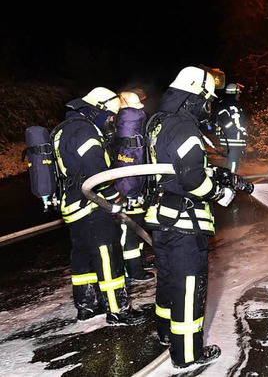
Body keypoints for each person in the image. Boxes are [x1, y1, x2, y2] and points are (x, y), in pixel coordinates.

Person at [144, 66, 248, 369]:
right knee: (189, 286)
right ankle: (187, 354)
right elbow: (193, 179)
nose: (208, 106)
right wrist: (219, 193)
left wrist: (225, 177)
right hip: (185, 224)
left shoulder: (159, 123)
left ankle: (165, 333)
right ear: (194, 97)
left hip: (162, 220)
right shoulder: (184, 127)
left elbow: (175, 167)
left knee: (169, 281)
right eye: (206, 100)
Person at [52, 87, 145, 325]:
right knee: (107, 254)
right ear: (98, 109)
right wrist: (114, 197)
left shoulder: (64, 128)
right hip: (91, 203)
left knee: (82, 255)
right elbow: (96, 171)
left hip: (71, 204)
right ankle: (118, 310)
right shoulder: (85, 132)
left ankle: (86, 306)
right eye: (111, 115)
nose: (112, 120)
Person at [112, 90, 154, 283]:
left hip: (128, 187)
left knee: (134, 228)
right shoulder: (129, 126)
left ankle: (136, 264)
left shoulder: (120, 126)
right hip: (131, 188)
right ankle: (132, 270)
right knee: (128, 232)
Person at [215, 82, 248, 173]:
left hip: (236, 140)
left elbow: (240, 122)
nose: (239, 95)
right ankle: (230, 180)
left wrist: (242, 134)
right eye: (238, 93)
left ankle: (232, 179)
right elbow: (224, 122)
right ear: (234, 93)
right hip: (231, 140)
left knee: (234, 161)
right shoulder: (224, 105)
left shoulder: (235, 105)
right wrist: (235, 131)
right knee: (232, 161)